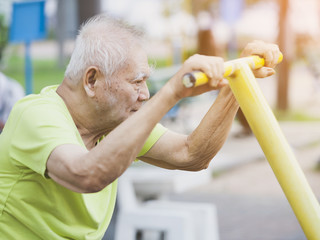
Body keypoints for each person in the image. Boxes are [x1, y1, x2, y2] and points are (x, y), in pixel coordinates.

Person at [0, 15, 281, 239]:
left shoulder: (111, 124)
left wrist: (238, 82)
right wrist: (172, 91)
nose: (145, 94)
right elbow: (85, 174)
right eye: (137, 81)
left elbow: (191, 154)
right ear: (92, 81)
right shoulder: (36, 114)